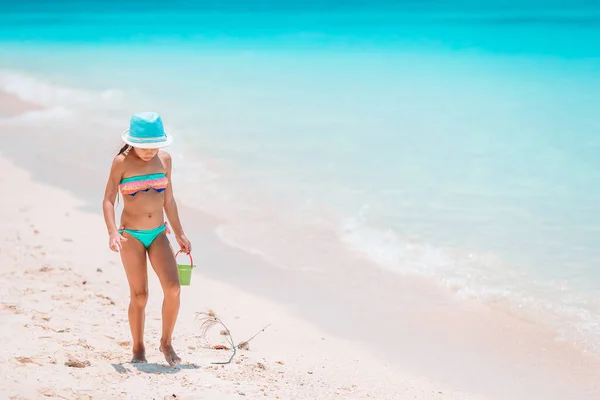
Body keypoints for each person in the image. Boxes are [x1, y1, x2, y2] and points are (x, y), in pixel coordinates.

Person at [102, 111, 192, 366]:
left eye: (156, 145)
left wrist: (180, 233)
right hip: (130, 235)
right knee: (139, 295)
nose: (151, 151)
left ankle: (166, 342)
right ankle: (138, 347)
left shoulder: (165, 160)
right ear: (132, 142)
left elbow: (169, 200)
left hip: (158, 233)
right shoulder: (121, 162)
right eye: (145, 147)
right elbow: (108, 199)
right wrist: (112, 233)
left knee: (173, 288)